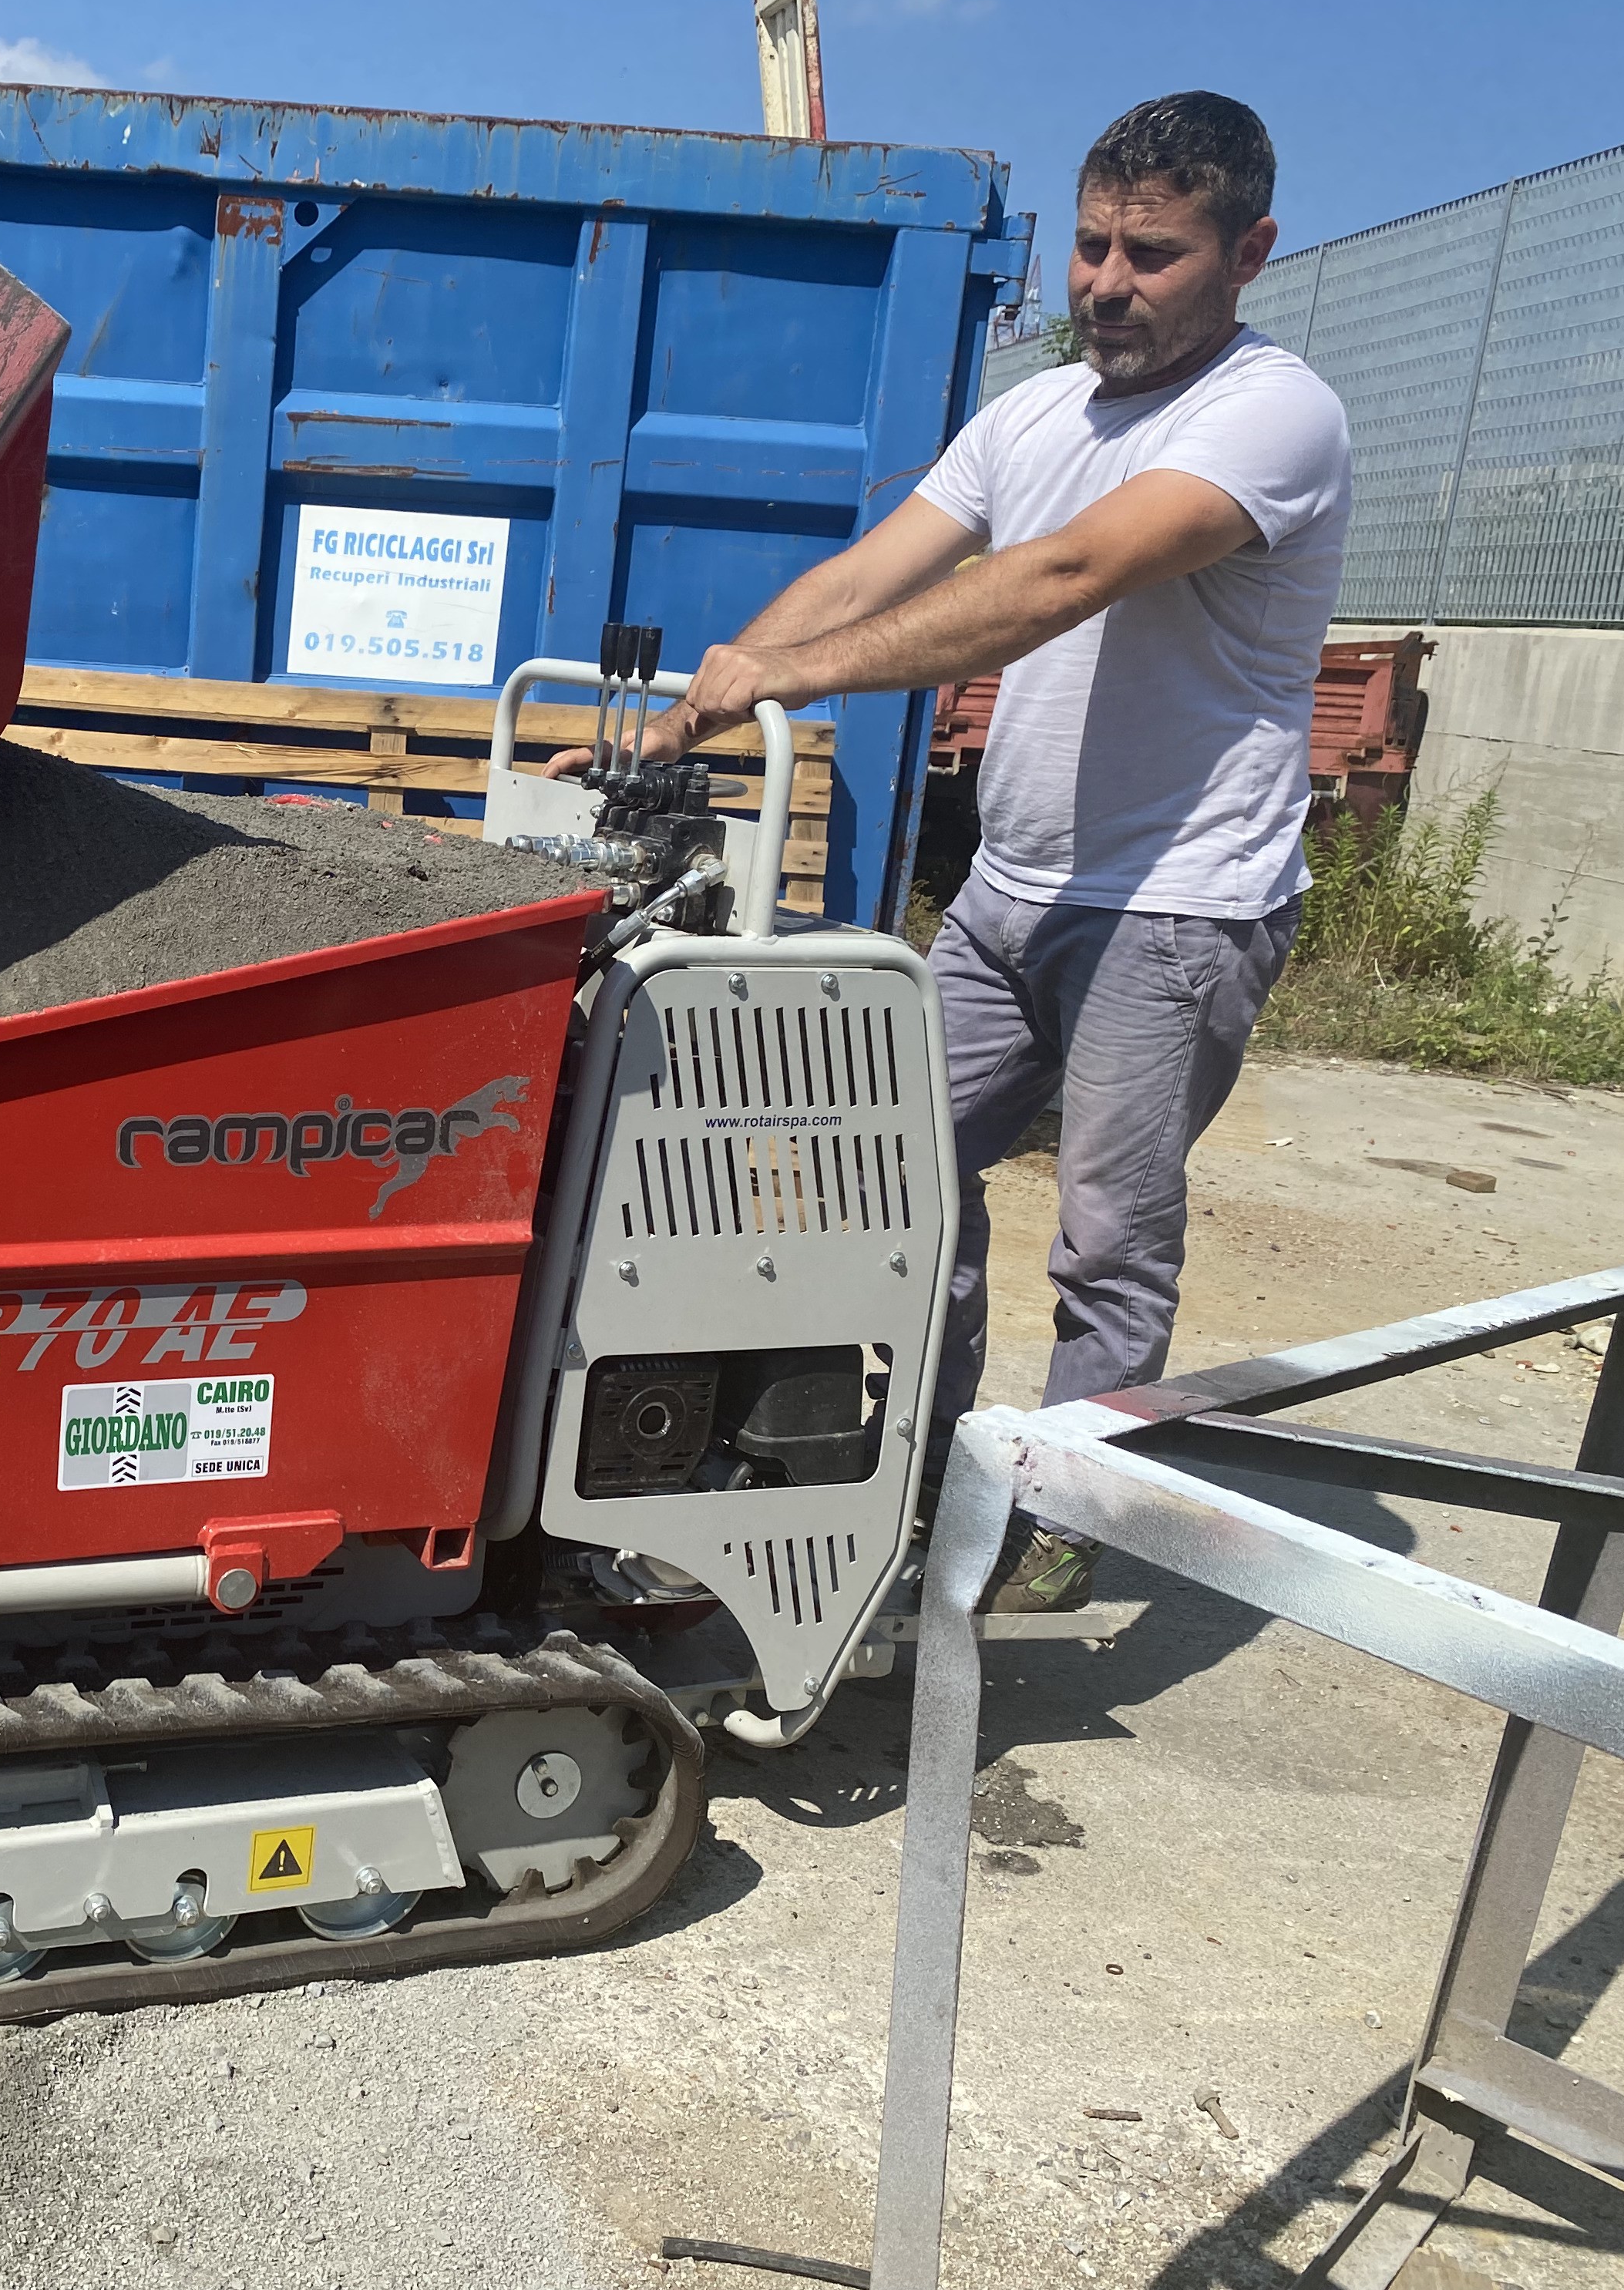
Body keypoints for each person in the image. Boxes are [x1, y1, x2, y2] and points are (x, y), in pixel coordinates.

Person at [552, 91, 1351, 1611]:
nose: (1106, 284)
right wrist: (689, 712)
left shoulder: (1272, 417)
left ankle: (1069, 1520)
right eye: (1094, 247)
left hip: (1177, 904)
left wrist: (795, 678)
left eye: (1153, 255)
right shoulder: (1036, 416)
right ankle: (935, 1466)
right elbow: (872, 571)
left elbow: (1064, 576)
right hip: (1010, 895)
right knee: (891, 1177)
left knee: (1108, 1237)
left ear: (1248, 253)